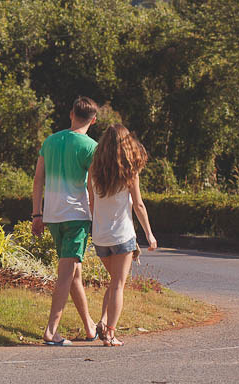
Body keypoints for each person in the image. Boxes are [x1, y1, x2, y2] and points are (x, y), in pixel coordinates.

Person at [32, 95, 99, 346]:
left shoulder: (49, 141)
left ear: (71, 114)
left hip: (53, 217)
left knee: (74, 275)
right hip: (76, 217)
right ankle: (51, 331)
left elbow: (38, 180)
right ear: (93, 120)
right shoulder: (91, 147)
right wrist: (95, 217)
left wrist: (37, 214)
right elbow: (92, 187)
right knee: (66, 275)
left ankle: (89, 327)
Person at [88, 123, 158, 347]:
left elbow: (91, 202)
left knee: (113, 282)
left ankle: (102, 321)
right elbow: (138, 205)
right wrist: (149, 234)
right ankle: (109, 333)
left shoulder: (95, 171)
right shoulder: (130, 172)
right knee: (118, 284)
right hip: (122, 236)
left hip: (100, 237)